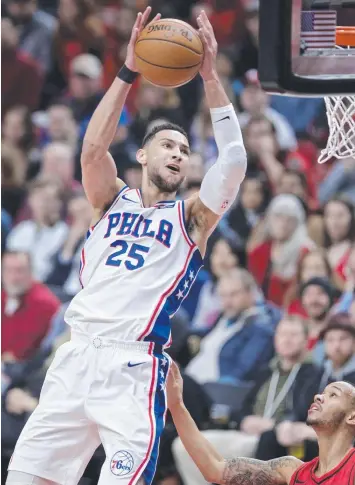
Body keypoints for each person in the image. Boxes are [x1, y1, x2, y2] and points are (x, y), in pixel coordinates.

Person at [7, 7, 247, 485]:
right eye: (168, 145)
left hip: (134, 367)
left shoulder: (193, 217)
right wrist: (129, 69)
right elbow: (92, 149)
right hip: (75, 357)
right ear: (141, 155)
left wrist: (210, 78)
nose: (178, 153)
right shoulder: (109, 200)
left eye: (184, 149)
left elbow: (235, 159)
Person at [167, 362, 355, 485]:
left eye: (333, 395)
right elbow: (216, 469)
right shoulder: (291, 470)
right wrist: (177, 406)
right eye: (322, 393)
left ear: (352, 417)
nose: (319, 396)